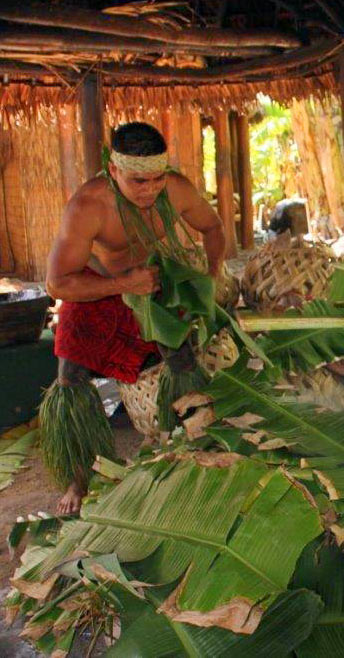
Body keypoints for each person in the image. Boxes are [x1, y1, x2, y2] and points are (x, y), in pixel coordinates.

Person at [42, 122, 225, 516]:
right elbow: (56, 283)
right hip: (94, 286)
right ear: (114, 171)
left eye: (158, 177)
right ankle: (79, 477)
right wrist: (123, 283)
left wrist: (212, 272)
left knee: (184, 364)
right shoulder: (88, 206)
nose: (150, 189)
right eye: (138, 181)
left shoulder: (174, 190)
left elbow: (211, 226)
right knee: (70, 380)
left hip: (150, 280)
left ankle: (188, 450)